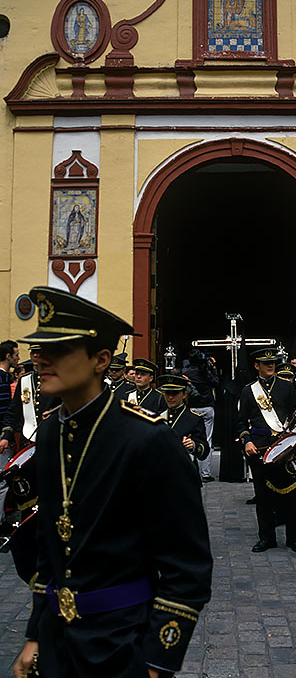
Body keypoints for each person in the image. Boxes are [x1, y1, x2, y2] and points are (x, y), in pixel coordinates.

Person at [13, 286, 212, 678]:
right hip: (57, 640)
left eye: (59, 350)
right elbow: (48, 548)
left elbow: (186, 564)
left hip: (122, 641)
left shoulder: (148, 439)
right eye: (38, 349)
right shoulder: (53, 433)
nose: (40, 360)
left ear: (101, 359)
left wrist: (156, 662)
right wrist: (36, 633)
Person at [237, 348, 296, 553]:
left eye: (273, 363)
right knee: (263, 496)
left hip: (284, 448)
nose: (270, 366)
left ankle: (294, 538)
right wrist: (247, 441)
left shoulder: (286, 387)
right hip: (260, 447)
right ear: (256, 366)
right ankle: (266, 538)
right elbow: (240, 423)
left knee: (291, 496)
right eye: (265, 363)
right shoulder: (248, 391)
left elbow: (295, 413)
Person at [157, 374, 209, 474]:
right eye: (167, 393)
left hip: (185, 471)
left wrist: (193, 445)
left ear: (184, 394)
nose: (171, 397)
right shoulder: (158, 417)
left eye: (175, 393)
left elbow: (204, 451)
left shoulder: (194, 419)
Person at [182, 350, 219, 483]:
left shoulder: (186, 372)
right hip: (207, 406)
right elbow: (216, 382)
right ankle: (206, 473)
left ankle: (191, 470)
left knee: (189, 440)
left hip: (192, 407)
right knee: (207, 439)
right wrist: (213, 368)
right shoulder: (205, 371)